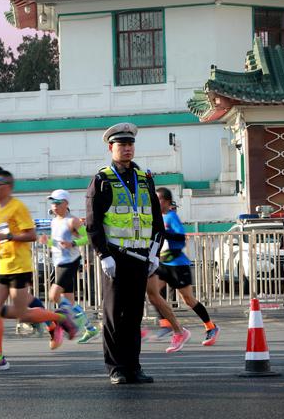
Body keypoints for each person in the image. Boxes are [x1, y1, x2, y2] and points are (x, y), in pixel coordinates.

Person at [0, 169, 78, 371]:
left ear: (8, 187)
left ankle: (60, 318)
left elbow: (31, 235)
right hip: (1, 265)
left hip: (19, 266)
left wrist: (6, 237)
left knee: (22, 314)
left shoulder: (17, 207)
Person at [86, 122, 164, 385]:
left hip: (141, 257)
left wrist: (154, 253)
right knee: (113, 314)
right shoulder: (102, 180)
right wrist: (102, 255)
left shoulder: (145, 179)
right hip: (115, 257)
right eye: (121, 145)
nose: (127, 149)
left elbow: (156, 221)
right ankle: (116, 368)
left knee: (134, 315)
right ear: (111, 147)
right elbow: (93, 223)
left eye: (130, 144)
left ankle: (134, 366)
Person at [152, 187, 220, 348]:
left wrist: (164, 232)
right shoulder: (158, 217)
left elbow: (180, 237)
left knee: (188, 300)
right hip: (163, 263)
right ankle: (166, 324)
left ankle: (211, 327)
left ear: (167, 201)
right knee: (152, 293)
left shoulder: (171, 217)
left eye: (159, 199)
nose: (156, 202)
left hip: (177, 264)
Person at [38, 189, 100, 346]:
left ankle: (72, 321)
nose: (54, 206)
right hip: (58, 262)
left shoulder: (72, 221)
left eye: (57, 203)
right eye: (52, 203)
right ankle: (90, 328)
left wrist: (73, 243)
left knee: (53, 295)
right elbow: (58, 242)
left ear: (66, 203)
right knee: (70, 302)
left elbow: (87, 238)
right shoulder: (54, 221)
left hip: (70, 262)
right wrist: (48, 241)